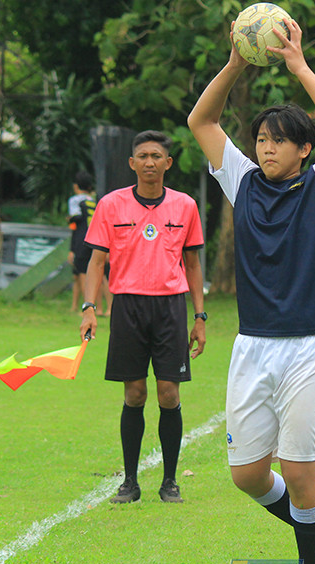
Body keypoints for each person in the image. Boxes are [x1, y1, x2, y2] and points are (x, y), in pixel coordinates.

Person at [187, 19, 315, 564]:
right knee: (246, 475)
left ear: (303, 149)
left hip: (310, 346)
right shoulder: (243, 183)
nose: (265, 147)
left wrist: (299, 68)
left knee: (300, 470)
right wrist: (237, 63)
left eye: (278, 140)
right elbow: (201, 121)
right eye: (261, 139)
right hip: (252, 346)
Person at [78, 130, 207, 505]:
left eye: (156, 156)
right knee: (134, 393)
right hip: (127, 307)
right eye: (142, 156)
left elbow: (194, 264)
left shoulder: (185, 206)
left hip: (170, 307)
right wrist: (89, 308)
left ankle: (170, 481)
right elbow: (97, 262)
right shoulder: (110, 205)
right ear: (132, 163)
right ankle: (130, 482)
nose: (149, 162)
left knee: (169, 393)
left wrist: (199, 317)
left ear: (168, 163)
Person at [67, 171, 109, 314]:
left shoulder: (75, 200)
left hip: (82, 239)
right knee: (101, 275)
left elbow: (76, 218)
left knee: (84, 274)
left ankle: (88, 308)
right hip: (97, 238)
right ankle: (103, 309)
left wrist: (70, 220)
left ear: (76, 185)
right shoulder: (94, 200)